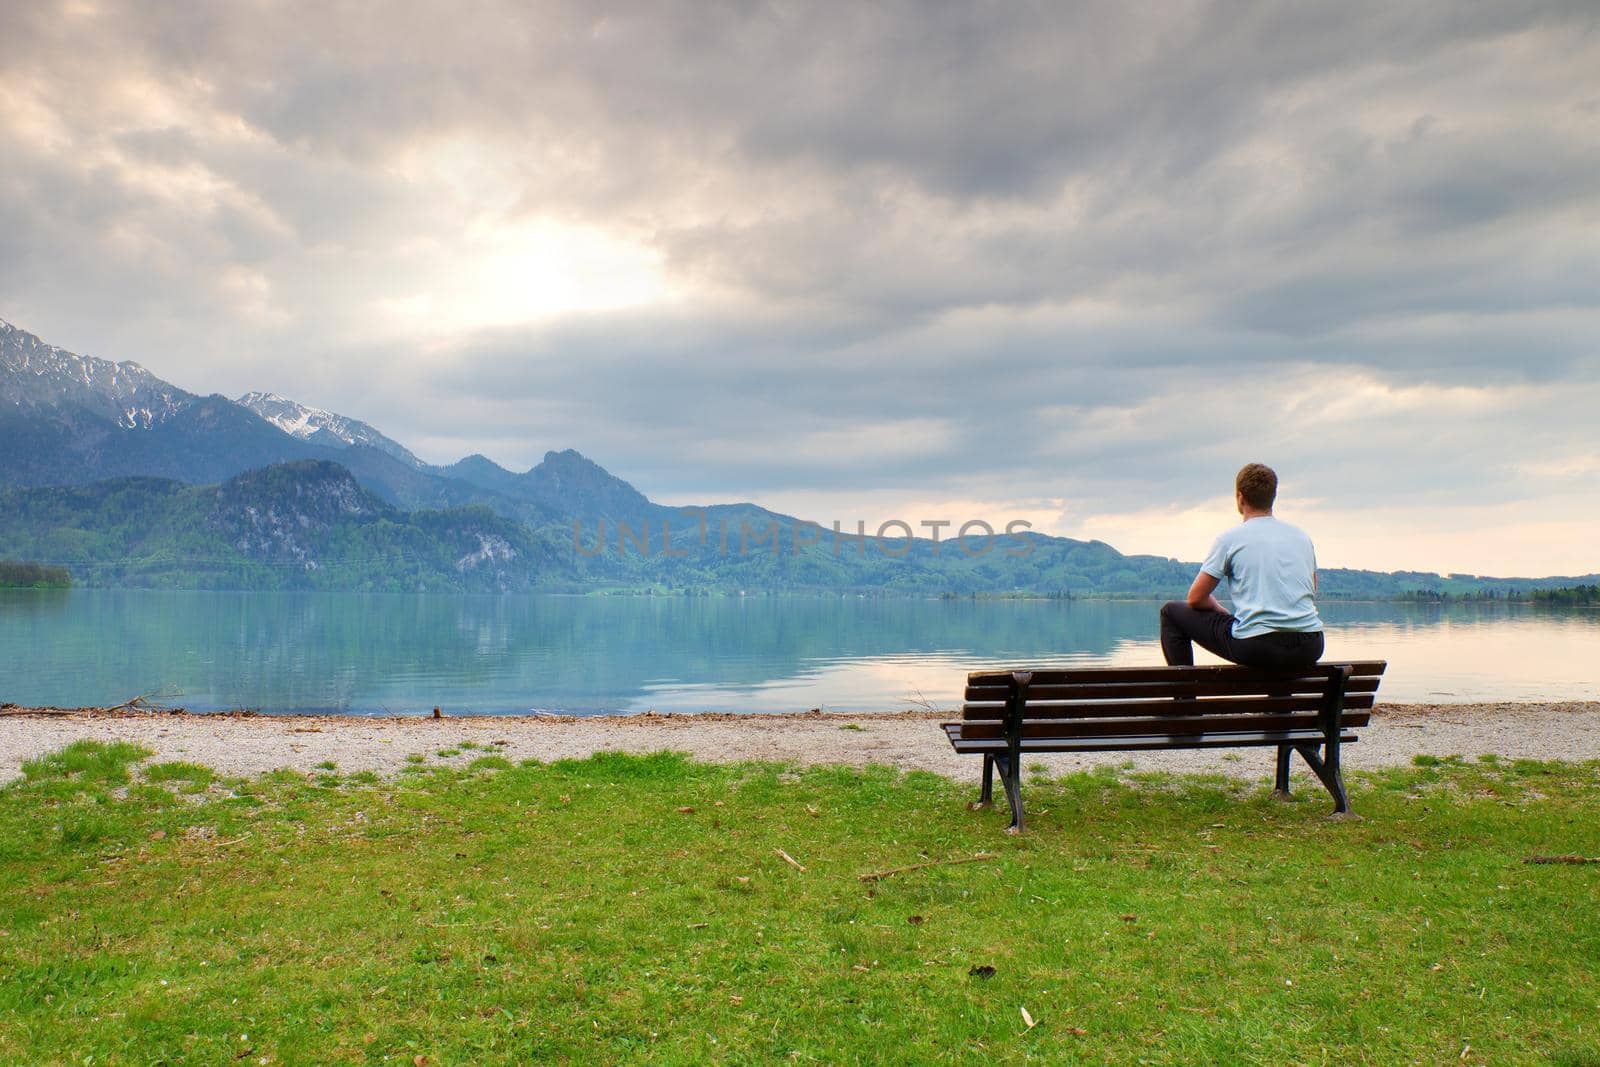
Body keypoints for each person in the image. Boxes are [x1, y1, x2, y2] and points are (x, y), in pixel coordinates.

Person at [1159, 463, 1324, 669]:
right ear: (1273, 496)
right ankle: (1281, 700)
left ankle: (1186, 699)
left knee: (1170, 612)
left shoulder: (1230, 539)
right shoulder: (1302, 537)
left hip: (1258, 647)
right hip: (1310, 645)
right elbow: (1311, 590)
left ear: (1240, 497)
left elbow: (1195, 598)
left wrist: (1221, 611)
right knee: (1272, 644)